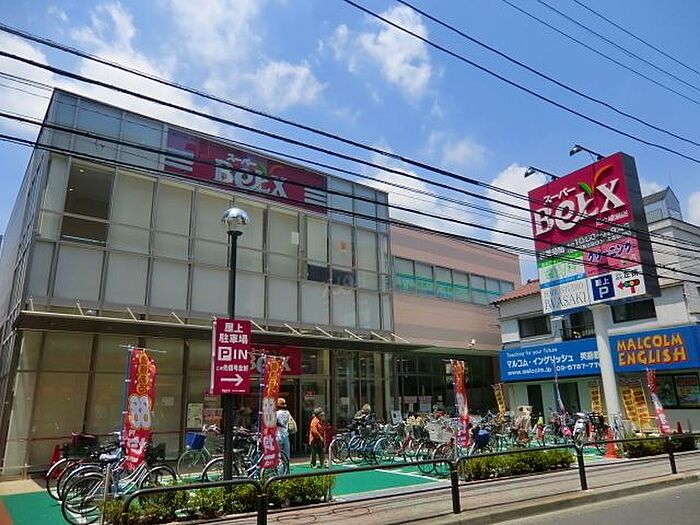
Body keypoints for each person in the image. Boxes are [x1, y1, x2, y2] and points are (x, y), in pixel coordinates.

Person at [276, 397, 291, 465]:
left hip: (278, 434)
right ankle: (286, 468)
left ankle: (280, 469)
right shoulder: (287, 413)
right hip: (286, 434)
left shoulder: (276, 413)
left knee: (278, 454)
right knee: (286, 454)